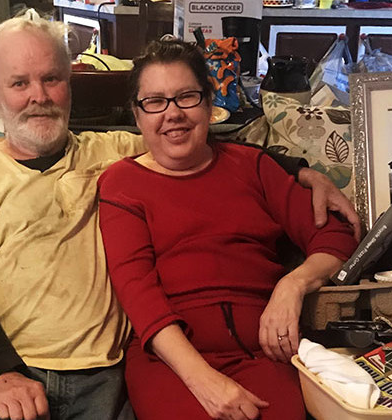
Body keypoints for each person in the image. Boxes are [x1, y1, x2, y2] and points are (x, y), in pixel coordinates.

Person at [0, 15, 360, 420]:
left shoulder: (112, 153)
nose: (39, 96)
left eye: (51, 78)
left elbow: (210, 150)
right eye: (19, 83)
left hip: (103, 376)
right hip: (13, 373)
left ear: (69, 84)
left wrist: (303, 172)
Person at [97, 40, 359, 420]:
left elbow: (336, 236)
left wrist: (293, 285)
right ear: (138, 117)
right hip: (172, 362)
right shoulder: (122, 184)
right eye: (154, 102)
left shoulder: (253, 167)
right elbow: (140, 297)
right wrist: (204, 381)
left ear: (209, 105)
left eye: (186, 97)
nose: (172, 114)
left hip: (267, 350)